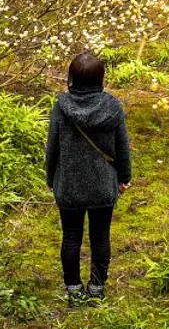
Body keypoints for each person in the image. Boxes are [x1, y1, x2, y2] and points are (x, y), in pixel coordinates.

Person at [45, 50, 132, 302]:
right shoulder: (113, 106)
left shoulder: (61, 106)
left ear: (71, 77)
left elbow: (52, 147)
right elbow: (122, 147)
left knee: (71, 236)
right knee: (100, 236)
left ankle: (73, 289)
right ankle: (96, 288)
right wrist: (124, 177)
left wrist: (51, 178)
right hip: (103, 183)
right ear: (100, 78)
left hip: (69, 183)